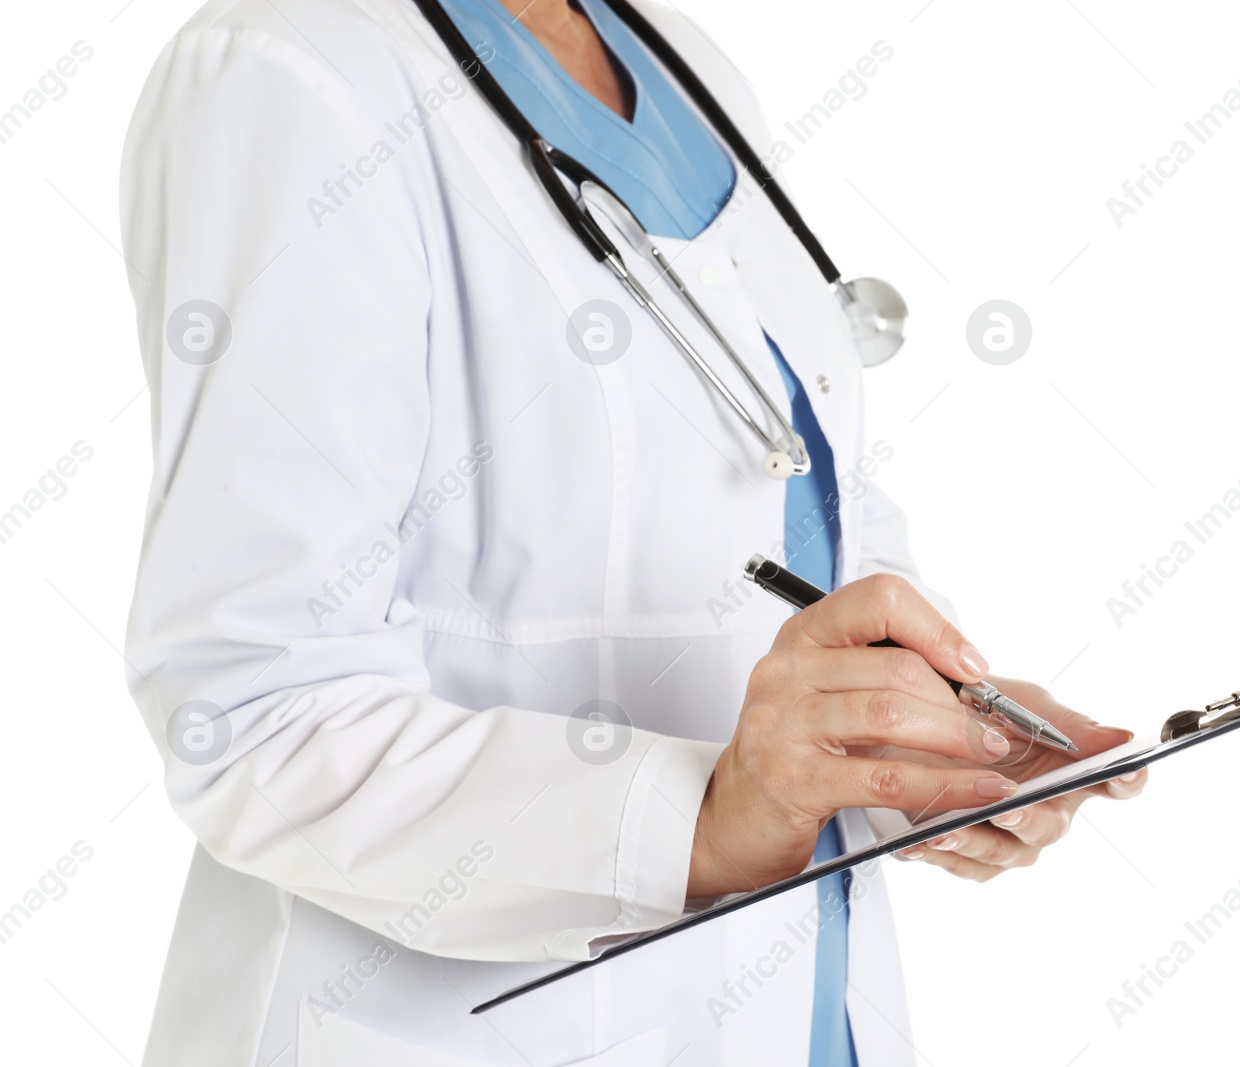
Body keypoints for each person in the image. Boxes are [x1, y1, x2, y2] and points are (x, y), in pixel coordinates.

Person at [119, 0, 1148, 1063]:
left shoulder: (678, 57)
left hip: (799, 1003)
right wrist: (698, 820)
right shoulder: (290, 73)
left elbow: (790, 494)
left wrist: (921, 731)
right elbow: (251, 713)